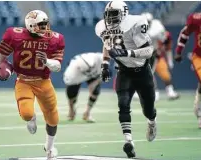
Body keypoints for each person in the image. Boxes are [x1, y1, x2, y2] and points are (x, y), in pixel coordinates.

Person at [0, 10, 65, 159]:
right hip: (23, 80)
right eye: (41, 25)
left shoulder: (54, 39)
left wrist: (47, 61)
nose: (45, 28)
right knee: (26, 113)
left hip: (43, 81)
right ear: (31, 25)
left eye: (45, 24)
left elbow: (57, 66)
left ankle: (49, 148)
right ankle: (32, 118)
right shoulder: (15, 35)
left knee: (53, 117)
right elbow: (2, 56)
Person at [95, 1, 157, 158]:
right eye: (108, 14)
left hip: (142, 71)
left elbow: (149, 50)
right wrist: (104, 64)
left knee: (148, 109)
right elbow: (107, 44)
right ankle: (129, 141)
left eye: (113, 14)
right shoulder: (102, 27)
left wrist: (126, 53)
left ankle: (151, 122)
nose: (109, 18)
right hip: (124, 71)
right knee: (123, 104)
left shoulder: (134, 23)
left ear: (124, 13)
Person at [175, 12, 201, 129]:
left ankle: (198, 103)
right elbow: (185, 34)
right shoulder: (195, 19)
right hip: (199, 57)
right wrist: (178, 51)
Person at [63, 52, 103, 123]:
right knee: (72, 94)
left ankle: (87, 113)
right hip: (77, 75)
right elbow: (69, 84)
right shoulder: (72, 73)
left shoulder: (99, 60)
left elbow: (107, 73)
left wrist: (96, 82)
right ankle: (71, 110)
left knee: (95, 91)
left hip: (93, 70)